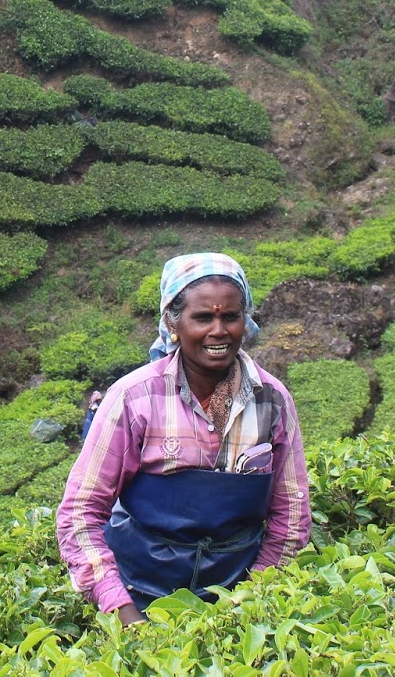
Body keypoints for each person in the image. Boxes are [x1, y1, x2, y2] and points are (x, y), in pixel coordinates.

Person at [57, 252, 312, 625]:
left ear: (246, 320)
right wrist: (122, 610)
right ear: (172, 323)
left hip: (239, 594)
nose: (219, 331)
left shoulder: (271, 400)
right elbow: (80, 512)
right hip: (138, 592)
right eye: (203, 317)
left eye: (230, 316)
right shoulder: (134, 398)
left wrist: (252, 598)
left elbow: (291, 514)